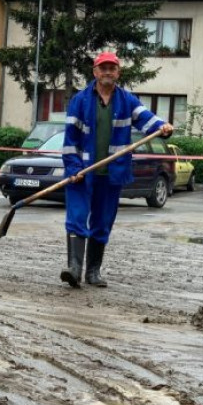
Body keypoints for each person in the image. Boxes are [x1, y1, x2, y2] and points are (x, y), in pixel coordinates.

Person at [60, 51, 173, 288]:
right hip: (82, 173)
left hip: (111, 174)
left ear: (118, 72)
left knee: (103, 222)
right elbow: (70, 140)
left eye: (112, 68)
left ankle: (93, 272)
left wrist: (162, 126)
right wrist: (73, 168)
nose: (108, 72)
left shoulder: (126, 100)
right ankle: (74, 268)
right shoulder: (79, 101)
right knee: (77, 218)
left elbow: (146, 119)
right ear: (95, 72)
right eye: (103, 68)